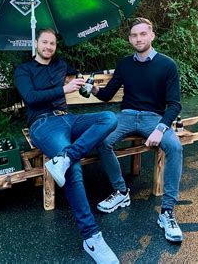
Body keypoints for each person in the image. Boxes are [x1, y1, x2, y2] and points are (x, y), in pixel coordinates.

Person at [14, 28, 120, 263]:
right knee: (73, 169)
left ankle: (66, 156)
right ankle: (92, 237)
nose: (48, 47)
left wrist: (83, 84)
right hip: (43, 124)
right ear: (36, 43)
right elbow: (30, 98)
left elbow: (80, 82)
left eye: (52, 44)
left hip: (69, 118)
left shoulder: (61, 64)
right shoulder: (23, 70)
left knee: (109, 118)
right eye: (44, 43)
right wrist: (63, 89)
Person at [92, 17, 184, 243]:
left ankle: (167, 212)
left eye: (143, 34)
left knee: (174, 146)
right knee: (103, 141)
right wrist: (91, 88)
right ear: (130, 39)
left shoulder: (167, 65)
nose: (138, 38)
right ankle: (121, 192)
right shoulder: (124, 64)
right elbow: (106, 95)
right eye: (134, 35)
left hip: (153, 118)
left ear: (152, 35)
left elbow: (174, 105)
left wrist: (160, 129)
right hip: (126, 116)